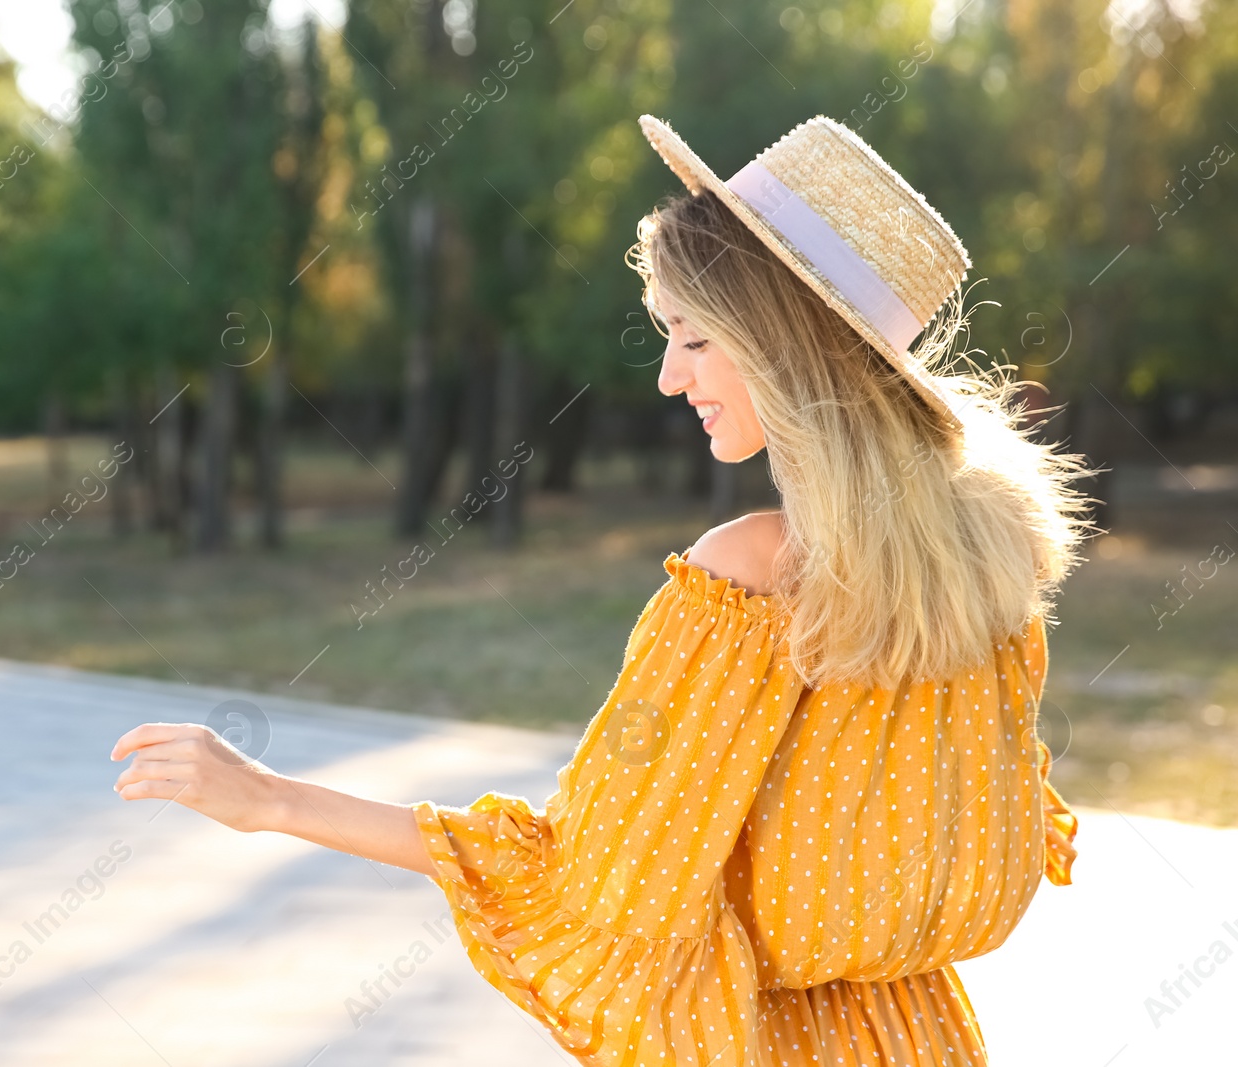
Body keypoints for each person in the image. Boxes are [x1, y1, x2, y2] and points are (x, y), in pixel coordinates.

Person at [108, 114, 1097, 1065]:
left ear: (786, 344)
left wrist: (271, 798)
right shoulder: (990, 579)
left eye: (694, 337)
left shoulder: (749, 575)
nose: (670, 376)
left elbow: (587, 876)